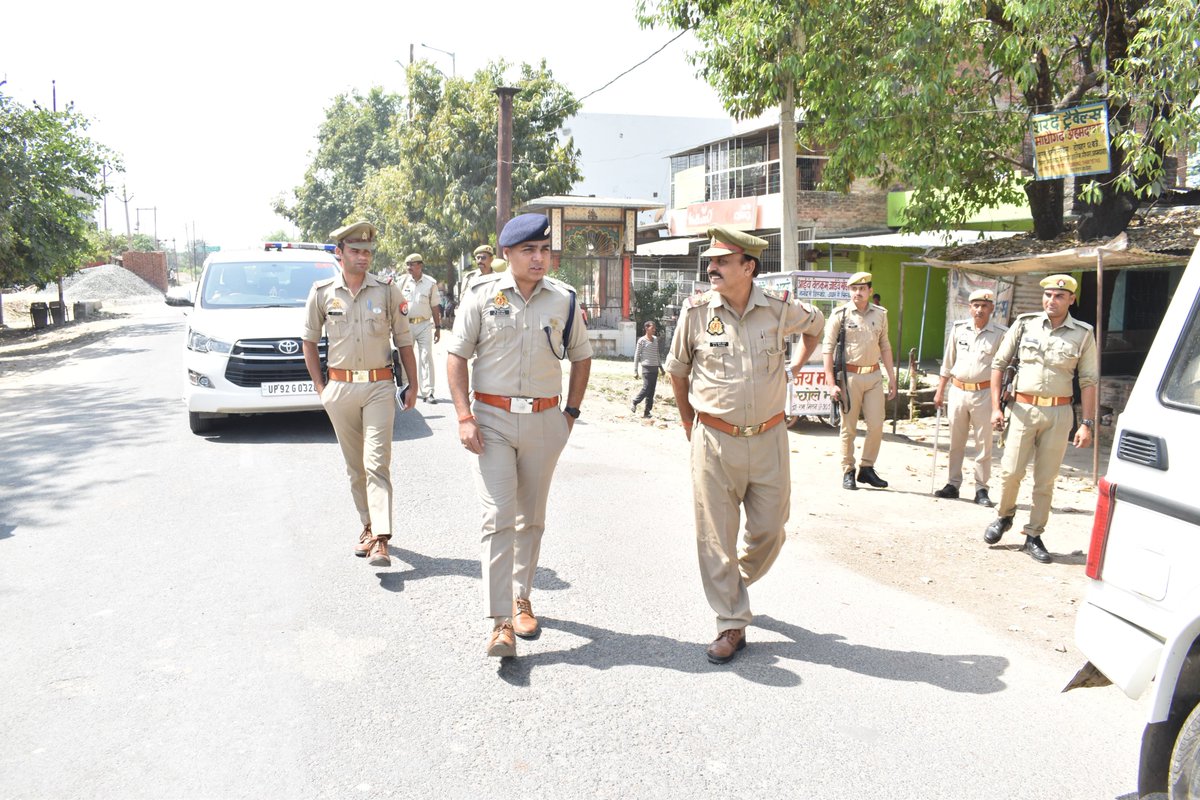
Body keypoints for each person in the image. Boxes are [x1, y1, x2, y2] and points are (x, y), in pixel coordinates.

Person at [665, 225, 825, 665]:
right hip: (714, 439)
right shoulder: (697, 312)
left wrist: (796, 364)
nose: (711, 267)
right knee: (715, 537)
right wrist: (686, 421)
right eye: (710, 261)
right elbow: (677, 369)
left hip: (770, 437)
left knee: (771, 530)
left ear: (748, 267)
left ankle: (731, 582)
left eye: (721, 261)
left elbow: (818, 325)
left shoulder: (779, 310)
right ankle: (730, 622)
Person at [447, 213, 592, 659]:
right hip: (491, 419)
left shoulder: (564, 300)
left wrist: (569, 413)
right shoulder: (481, 296)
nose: (539, 258)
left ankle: (522, 594)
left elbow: (582, 357)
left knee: (532, 518)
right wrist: (463, 416)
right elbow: (456, 357)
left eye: (545, 250)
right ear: (506, 254)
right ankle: (499, 623)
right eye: (529, 250)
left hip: (546, 421)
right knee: (498, 517)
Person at [301, 221, 418, 568]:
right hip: (340, 388)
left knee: (376, 463)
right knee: (355, 468)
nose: (363, 257)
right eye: (356, 251)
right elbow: (308, 341)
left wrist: (412, 383)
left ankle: (381, 538)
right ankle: (367, 526)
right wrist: (322, 389)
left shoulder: (386, 292)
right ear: (340, 253)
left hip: (380, 386)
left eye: (368, 252)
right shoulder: (322, 293)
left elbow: (405, 341)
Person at [983, 274, 1098, 564]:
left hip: (1059, 413)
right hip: (1022, 408)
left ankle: (1034, 534)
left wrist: (1086, 423)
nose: (1052, 300)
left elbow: (1089, 381)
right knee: (1010, 472)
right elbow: (998, 365)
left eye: (1059, 296)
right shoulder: (1024, 325)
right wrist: (996, 407)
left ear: (1071, 299)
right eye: (1048, 294)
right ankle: (1005, 515)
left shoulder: (1083, 334)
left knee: (1045, 480)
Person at [933, 288, 1008, 506]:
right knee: (956, 442)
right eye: (975, 305)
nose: (979, 310)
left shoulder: (1001, 334)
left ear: (992, 308)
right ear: (969, 308)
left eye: (984, 306)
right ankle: (952, 483)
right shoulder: (959, 329)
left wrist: (999, 403)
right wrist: (940, 391)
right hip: (957, 391)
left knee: (983, 444)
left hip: (984, 393)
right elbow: (948, 363)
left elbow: (1001, 370)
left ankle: (981, 489)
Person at [822, 272, 897, 490]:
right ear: (849, 291)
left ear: (869, 291)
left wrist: (891, 378)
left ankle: (867, 468)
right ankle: (848, 470)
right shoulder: (840, 314)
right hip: (849, 377)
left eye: (862, 288)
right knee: (849, 427)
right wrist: (831, 383)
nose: (858, 292)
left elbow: (885, 345)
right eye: (854, 289)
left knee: (876, 425)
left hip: (873, 375)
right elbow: (828, 349)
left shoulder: (881, 314)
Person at [397, 253, 442, 404]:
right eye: (407, 264)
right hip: (405, 325)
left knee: (426, 356)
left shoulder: (430, 283)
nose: (409, 267)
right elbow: (395, 304)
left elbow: (435, 306)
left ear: (420, 265)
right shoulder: (402, 282)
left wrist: (438, 327)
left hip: (424, 324)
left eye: (412, 264)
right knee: (405, 357)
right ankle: (406, 387)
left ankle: (428, 392)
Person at [630, 321, 665, 418]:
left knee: (651, 391)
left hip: (655, 369)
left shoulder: (655, 339)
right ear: (646, 328)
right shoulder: (641, 341)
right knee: (646, 388)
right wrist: (635, 371)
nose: (654, 330)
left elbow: (657, 354)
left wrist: (661, 368)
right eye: (652, 328)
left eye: (654, 328)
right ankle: (634, 401)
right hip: (646, 368)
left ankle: (647, 411)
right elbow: (637, 356)